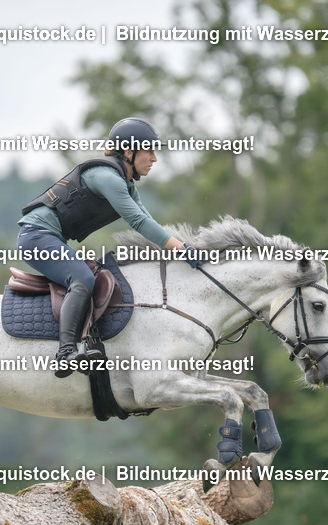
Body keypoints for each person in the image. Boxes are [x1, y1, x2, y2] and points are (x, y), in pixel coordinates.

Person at [17, 117, 201, 378]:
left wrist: (182, 246)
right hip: (36, 237)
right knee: (81, 277)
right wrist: (181, 249)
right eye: (149, 151)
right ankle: (65, 353)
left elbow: (149, 222)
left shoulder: (125, 184)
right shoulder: (107, 178)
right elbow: (138, 222)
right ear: (128, 151)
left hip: (48, 237)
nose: (154, 159)